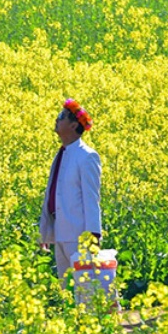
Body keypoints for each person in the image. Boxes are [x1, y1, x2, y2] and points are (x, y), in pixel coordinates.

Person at [39, 99, 102, 282]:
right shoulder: (61, 154)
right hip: (60, 233)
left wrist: (93, 236)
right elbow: (52, 195)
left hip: (79, 236)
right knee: (66, 289)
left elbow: (91, 199)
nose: (56, 120)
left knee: (88, 289)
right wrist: (45, 232)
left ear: (74, 125)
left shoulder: (87, 156)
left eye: (61, 117)